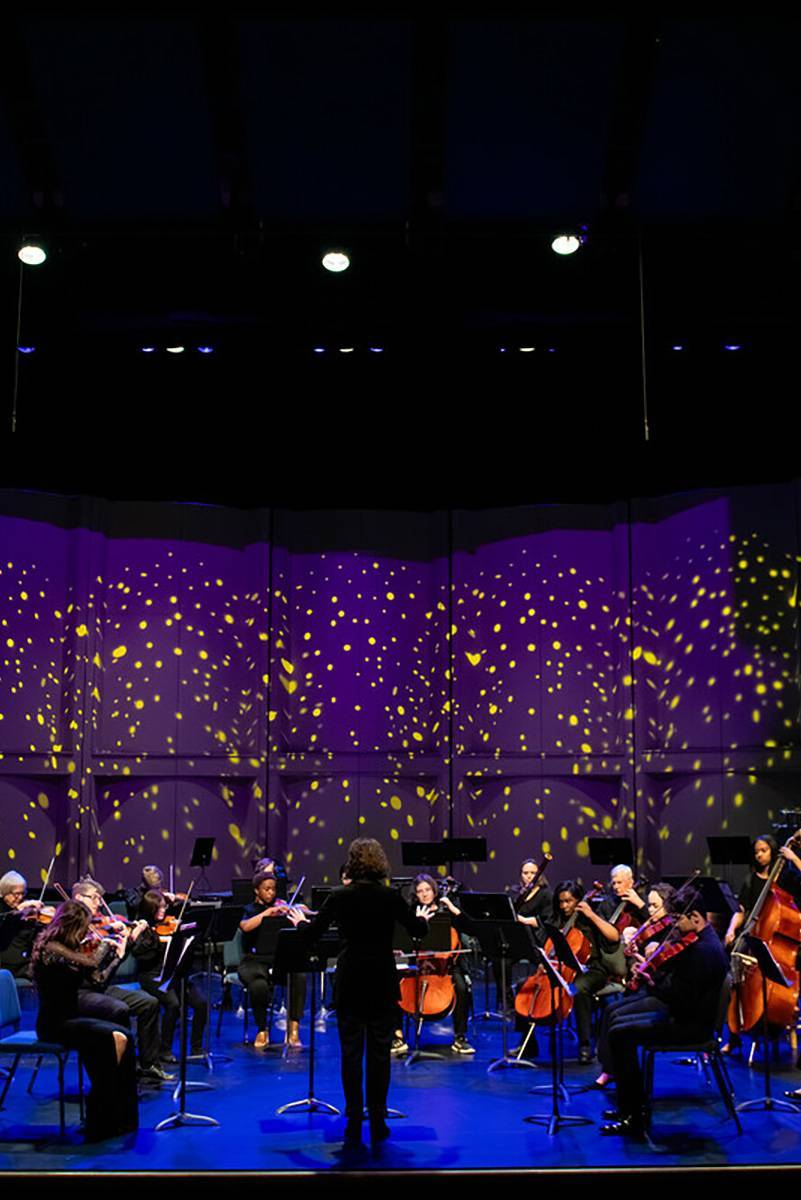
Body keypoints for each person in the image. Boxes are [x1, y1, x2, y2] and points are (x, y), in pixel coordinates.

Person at [287, 837, 434, 1143]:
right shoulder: (390, 896)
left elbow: (312, 934)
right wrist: (421, 918)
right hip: (381, 978)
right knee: (380, 1054)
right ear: (380, 862)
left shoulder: (339, 895)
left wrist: (301, 922)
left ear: (352, 862)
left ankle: (354, 1116)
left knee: (351, 1054)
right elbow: (418, 930)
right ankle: (378, 1119)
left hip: (351, 979)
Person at [600, 887, 729, 1138]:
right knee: (618, 1026)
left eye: (678, 919)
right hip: (686, 1016)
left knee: (619, 1034)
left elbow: (679, 998)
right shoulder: (703, 941)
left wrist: (652, 980)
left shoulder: (704, 951)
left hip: (690, 1027)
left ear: (695, 917)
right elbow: (679, 989)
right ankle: (631, 1107)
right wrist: (656, 977)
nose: (675, 926)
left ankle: (633, 1116)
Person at [31, 901, 139, 1142]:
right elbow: (90, 963)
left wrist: (118, 958)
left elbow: (98, 980)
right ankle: (100, 1121)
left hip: (72, 1021)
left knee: (123, 1037)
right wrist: (104, 945)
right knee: (109, 1039)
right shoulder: (51, 949)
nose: (87, 932)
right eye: (85, 927)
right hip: (53, 1025)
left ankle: (120, 1119)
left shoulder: (71, 950)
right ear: (73, 925)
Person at [70, 877, 173, 1083]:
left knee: (149, 1003)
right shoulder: (71, 928)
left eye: (100, 899)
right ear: (78, 898)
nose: (99, 904)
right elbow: (90, 968)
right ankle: (121, 1067)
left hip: (100, 987)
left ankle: (148, 1064)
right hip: (79, 993)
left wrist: (124, 944)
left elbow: (105, 971)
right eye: (94, 899)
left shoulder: (99, 926)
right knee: (119, 1009)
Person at [723, 834, 801, 1054]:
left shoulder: (787, 878)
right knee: (734, 979)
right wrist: (731, 929)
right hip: (755, 937)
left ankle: (770, 1021)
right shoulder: (751, 879)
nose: (759, 855)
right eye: (756, 851)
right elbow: (741, 912)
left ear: (774, 851)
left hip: (778, 944)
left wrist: (793, 857)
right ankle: (734, 1035)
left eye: (764, 850)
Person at [130, 889, 208, 1062]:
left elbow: (186, 909)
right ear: (149, 909)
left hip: (174, 974)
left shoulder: (171, 924)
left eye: (164, 907)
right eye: (159, 908)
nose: (163, 912)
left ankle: (196, 1048)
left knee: (201, 1003)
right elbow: (140, 954)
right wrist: (156, 941)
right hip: (151, 975)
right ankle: (164, 1050)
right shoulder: (142, 928)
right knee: (173, 1004)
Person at [552, 880, 621, 1063]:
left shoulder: (589, 918)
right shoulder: (557, 920)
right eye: (561, 902)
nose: (564, 906)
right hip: (565, 969)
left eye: (569, 901)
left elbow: (614, 936)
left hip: (593, 970)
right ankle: (529, 1044)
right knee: (524, 986)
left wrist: (591, 915)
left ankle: (585, 1043)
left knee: (578, 989)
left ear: (578, 901)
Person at [238, 869, 307, 1049]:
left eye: (273, 889)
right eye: (266, 889)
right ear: (256, 890)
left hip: (276, 960)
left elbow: (304, 911)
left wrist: (293, 911)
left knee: (298, 977)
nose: (271, 892)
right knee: (259, 986)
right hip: (253, 961)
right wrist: (267, 913)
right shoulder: (249, 909)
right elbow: (245, 926)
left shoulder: (279, 907)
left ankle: (293, 1030)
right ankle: (262, 1030)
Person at [412, 874, 475, 1054]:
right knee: (395, 984)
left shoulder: (446, 911)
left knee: (462, 987)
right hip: (420, 964)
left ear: (434, 891)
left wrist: (454, 910)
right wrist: (419, 922)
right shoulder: (413, 911)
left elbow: (471, 928)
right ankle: (397, 1036)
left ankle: (460, 1037)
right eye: (419, 891)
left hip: (446, 967)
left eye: (427, 890)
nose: (424, 895)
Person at [0, 871, 54, 977]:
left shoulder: (28, 910)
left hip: (26, 962)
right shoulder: (4, 910)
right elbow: (3, 921)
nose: (20, 898)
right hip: (6, 964)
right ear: (5, 892)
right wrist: (19, 909)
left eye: (22, 893)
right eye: (16, 894)